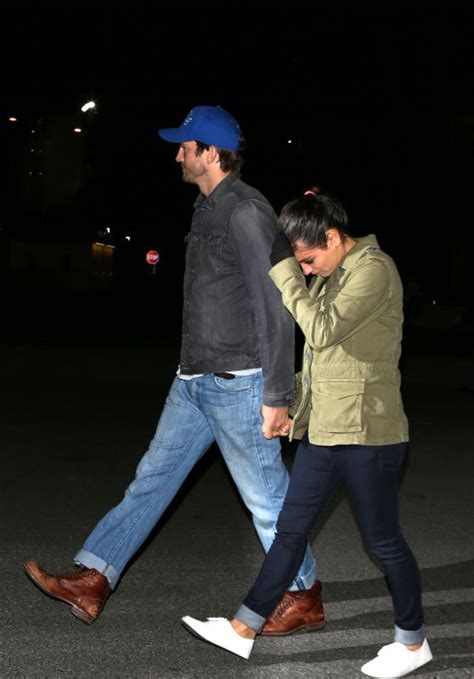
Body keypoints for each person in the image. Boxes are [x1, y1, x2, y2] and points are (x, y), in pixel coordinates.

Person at [23, 106, 324, 635]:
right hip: (193, 381)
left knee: (266, 499)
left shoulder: (247, 210)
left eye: (185, 146)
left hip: (239, 382)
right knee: (151, 481)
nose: (177, 153)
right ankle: (93, 578)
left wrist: (278, 393)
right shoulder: (204, 209)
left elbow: (275, 304)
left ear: (210, 152)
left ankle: (302, 595)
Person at [182, 187, 433, 678]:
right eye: (303, 265)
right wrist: (291, 405)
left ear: (335, 237)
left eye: (310, 260)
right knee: (289, 531)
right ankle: (242, 629)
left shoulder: (375, 270)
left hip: (368, 433)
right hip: (324, 430)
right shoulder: (334, 273)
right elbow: (322, 363)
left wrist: (284, 276)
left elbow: (319, 331)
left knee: (383, 543)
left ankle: (412, 642)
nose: (308, 270)